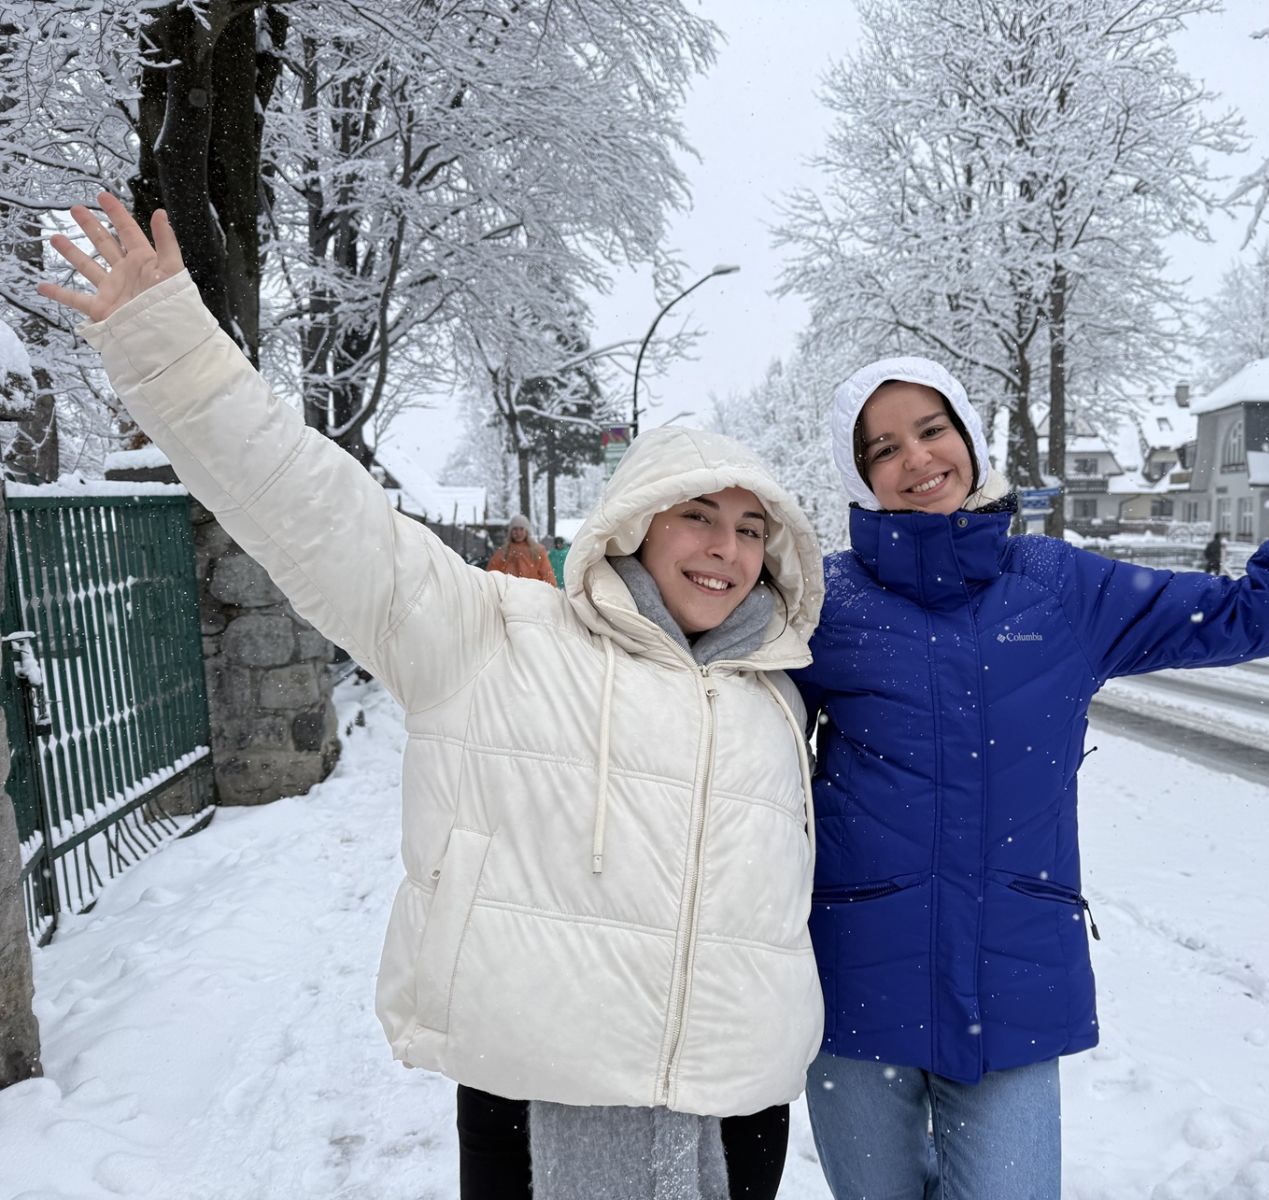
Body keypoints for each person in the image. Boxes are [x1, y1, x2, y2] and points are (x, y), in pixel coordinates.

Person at [42, 193, 822, 1200]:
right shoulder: (497, 632)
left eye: (753, 529)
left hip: (734, 1104)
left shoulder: (777, 693)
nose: (726, 549)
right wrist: (175, 349)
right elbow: (318, 514)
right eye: (699, 518)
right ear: (634, 526)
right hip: (534, 1089)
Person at [791, 355, 1269, 1199]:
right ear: (859, 474)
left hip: (1010, 983)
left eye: (931, 429)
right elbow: (710, 734)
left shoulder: (1060, 588)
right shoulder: (822, 604)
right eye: (882, 448)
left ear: (970, 438)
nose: (916, 460)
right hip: (854, 987)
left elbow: (1258, 611)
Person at [487, 513, 557, 585]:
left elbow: (547, 575)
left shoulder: (538, 550)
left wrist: (549, 590)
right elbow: (491, 575)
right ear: (510, 531)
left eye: (521, 529)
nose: (518, 533)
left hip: (532, 592)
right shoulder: (503, 552)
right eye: (515, 529)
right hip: (509, 592)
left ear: (526, 531)